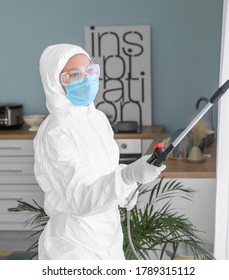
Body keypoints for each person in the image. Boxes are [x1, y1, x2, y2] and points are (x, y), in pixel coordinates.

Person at [34, 43, 166, 260]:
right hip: (73, 245)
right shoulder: (55, 131)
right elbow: (80, 198)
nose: (86, 79)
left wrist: (128, 189)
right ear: (55, 83)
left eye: (89, 70)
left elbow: (104, 174)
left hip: (109, 238)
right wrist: (127, 175)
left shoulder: (97, 119)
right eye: (74, 75)